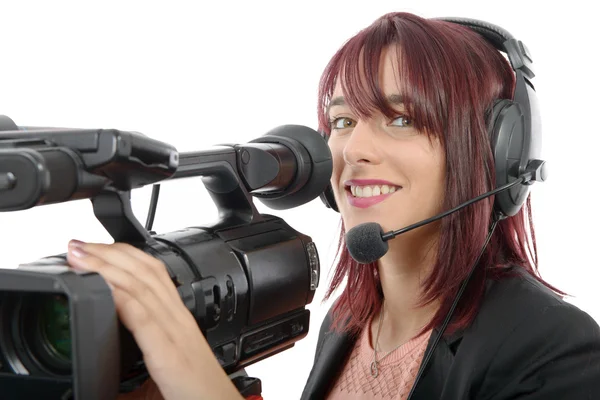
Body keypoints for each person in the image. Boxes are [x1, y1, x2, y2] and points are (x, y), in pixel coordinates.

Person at [65, 11, 600, 400]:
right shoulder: (346, 325)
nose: (354, 150)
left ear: (498, 154)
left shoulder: (556, 352)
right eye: (343, 121)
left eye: (401, 118)